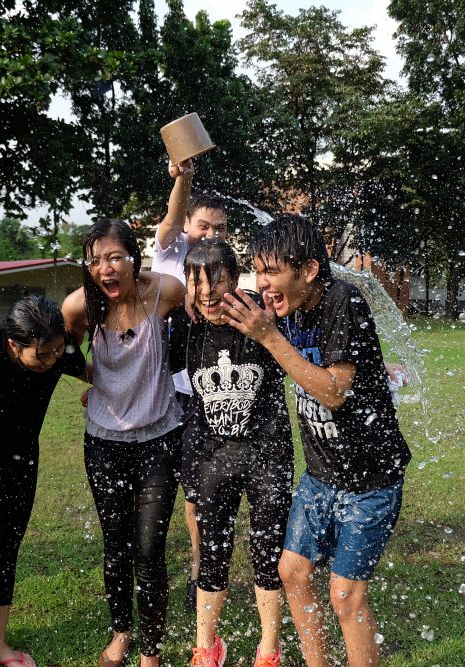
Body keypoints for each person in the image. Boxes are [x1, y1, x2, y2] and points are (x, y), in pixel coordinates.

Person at [220, 215, 411, 667]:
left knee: (344, 596)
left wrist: (268, 337)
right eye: (257, 270)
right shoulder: (288, 309)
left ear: (307, 270)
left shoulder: (343, 301)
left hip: (370, 479)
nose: (262, 283)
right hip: (322, 474)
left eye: (271, 271)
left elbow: (333, 391)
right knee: (292, 571)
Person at [62, 219, 187, 667]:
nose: (105, 268)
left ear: (134, 258)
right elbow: (61, 350)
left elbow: (204, 323)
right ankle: (121, 631)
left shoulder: (166, 292)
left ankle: (151, 648)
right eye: (95, 260)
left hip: (159, 440)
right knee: (116, 545)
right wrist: (91, 378)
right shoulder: (81, 306)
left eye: (114, 257)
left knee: (149, 547)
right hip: (104, 444)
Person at [169, 239, 293, 667]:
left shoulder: (263, 311)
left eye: (216, 280)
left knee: (268, 554)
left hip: (267, 454)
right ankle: (207, 646)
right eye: (195, 281)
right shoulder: (184, 324)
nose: (206, 292)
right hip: (212, 456)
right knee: (213, 555)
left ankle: (269, 649)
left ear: (234, 278)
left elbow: (305, 323)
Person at [0, 295, 86, 667]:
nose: (51, 361)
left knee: (8, 551)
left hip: (21, 461)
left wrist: (99, 393)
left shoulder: (60, 351)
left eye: (57, 351)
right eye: (41, 355)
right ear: (13, 344)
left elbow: (96, 373)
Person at [153, 159, 232, 610]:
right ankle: (179, 568)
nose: (211, 235)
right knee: (176, 490)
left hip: (216, 393)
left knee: (206, 488)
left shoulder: (225, 269)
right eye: (203, 226)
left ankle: (202, 571)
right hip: (169, 395)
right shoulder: (171, 254)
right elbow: (167, 222)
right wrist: (182, 179)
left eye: (219, 228)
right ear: (189, 225)